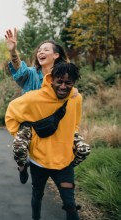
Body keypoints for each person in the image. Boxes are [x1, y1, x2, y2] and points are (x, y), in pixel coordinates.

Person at [4, 28, 89, 184]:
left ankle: (62, 170)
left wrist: (73, 92)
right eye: (39, 50)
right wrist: (13, 52)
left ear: (56, 55)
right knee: (19, 146)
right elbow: (18, 69)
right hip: (32, 122)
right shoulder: (30, 73)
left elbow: (71, 89)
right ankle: (23, 167)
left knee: (83, 150)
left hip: (58, 122)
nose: (40, 52)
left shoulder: (63, 76)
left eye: (46, 50)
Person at [5, 62, 90, 220]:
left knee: (70, 204)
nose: (63, 86)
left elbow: (75, 122)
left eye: (68, 83)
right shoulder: (34, 98)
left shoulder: (76, 99)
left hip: (64, 162)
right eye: (59, 81)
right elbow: (11, 111)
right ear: (52, 80)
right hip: (40, 161)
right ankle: (22, 166)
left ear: (74, 83)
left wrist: (72, 137)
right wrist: (25, 134)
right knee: (37, 194)